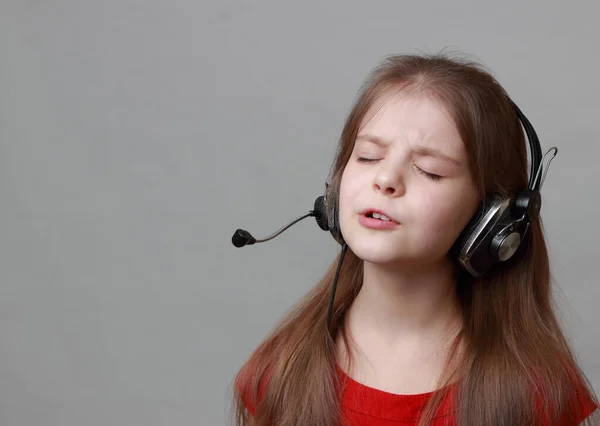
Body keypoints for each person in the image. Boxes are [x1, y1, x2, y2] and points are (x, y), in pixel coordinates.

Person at [230, 53, 599, 425]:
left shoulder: (536, 394)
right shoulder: (279, 373)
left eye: (429, 171)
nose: (386, 178)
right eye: (368, 156)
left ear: (492, 219)